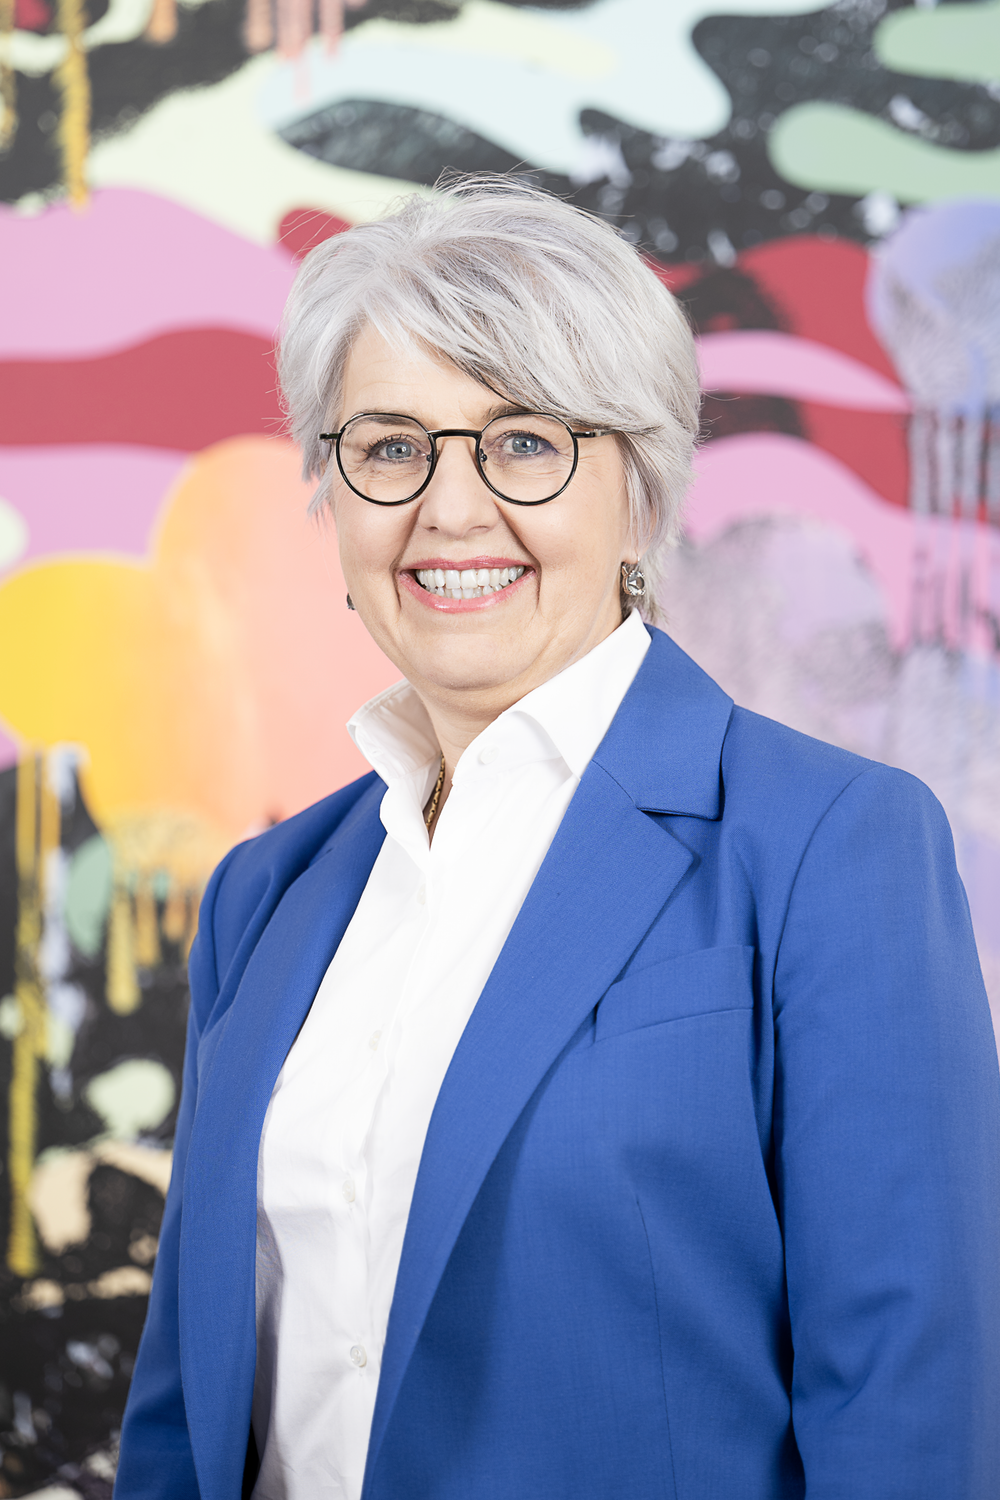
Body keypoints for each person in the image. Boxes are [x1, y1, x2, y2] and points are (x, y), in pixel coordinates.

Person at [114, 179, 1000, 1500]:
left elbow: (910, 1423)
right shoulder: (267, 894)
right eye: (391, 447)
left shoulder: (832, 849)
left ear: (639, 496)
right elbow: (186, 1416)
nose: (451, 509)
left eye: (524, 443)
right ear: (334, 500)